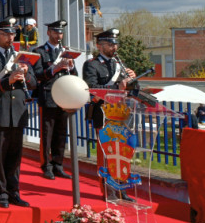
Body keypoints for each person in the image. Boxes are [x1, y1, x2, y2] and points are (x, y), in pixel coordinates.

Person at [0, 17, 37, 208]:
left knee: (15, 156)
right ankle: (1, 193)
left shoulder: (21, 56)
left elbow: (34, 84)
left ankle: (14, 191)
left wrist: (27, 73)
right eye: (7, 34)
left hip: (18, 112)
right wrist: (7, 81)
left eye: (13, 34)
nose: (11, 37)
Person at [82, 29, 136, 201]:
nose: (114, 47)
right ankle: (108, 190)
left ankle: (122, 188)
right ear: (100, 45)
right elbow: (92, 89)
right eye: (110, 44)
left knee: (122, 153)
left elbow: (131, 89)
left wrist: (133, 80)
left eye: (115, 44)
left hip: (121, 114)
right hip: (103, 114)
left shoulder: (118, 64)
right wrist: (117, 87)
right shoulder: (92, 65)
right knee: (106, 155)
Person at [33, 20, 78, 180]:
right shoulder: (40, 51)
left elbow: (75, 75)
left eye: (61, 33)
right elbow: (37, 74)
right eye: (56, 32)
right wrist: (54, 69)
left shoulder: (66, 52)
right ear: (49, 33)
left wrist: (71, 67)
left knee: (61, 133)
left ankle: (58, 164)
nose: (59, 35)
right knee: (47, 134)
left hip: (64, 97)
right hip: (48, 95)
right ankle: (47, 166)